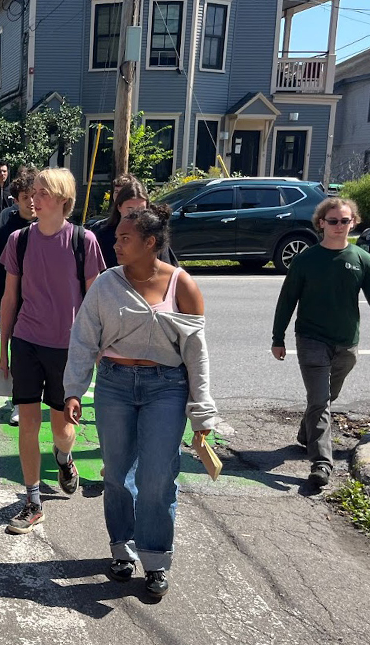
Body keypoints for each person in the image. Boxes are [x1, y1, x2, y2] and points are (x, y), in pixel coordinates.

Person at [62, 202, 218, 599]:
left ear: (150, 242)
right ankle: (121, 550)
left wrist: (202, 411)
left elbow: (196, 355)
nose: (116, 244)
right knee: (116, 474)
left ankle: (155, 561)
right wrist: (74, 390)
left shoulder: (182, 285)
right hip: (114, 384)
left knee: (156, 478)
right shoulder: (106, 283)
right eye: (116, 238)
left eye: (125, 239)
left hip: (166, 387)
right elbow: (83, 339)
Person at [0, 168, 106, 535]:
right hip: (26, 341)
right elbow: (10, 296)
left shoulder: (84, 240)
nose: (34, 198)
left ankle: (64, 457)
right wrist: (3, 351)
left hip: (68, 348)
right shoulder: (19, 240)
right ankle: (32, 501)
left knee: (62, 431)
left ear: (62, 199)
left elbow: (95, 300)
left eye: (42, 192)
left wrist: (95, 348)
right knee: (27, 424)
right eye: (33, 192)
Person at [272, 197, 370, 487]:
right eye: (333, 221)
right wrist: (278, 337)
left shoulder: (362, 260)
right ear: (321, 223)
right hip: (311, 339)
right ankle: (321, 463)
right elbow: (287, 300)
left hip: (347, 342)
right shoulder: (306, 260)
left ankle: (307, 433)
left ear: (353, 222)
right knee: (320, 400)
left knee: (326, 398)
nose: (339, 226)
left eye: (345, 221)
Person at [0, 168, 38, 426]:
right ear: (16, 199)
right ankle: (18, 402)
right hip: (14, 298)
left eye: (35, 195)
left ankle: (38, 398)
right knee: (17, 349)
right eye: (25, 196)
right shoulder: (8, 225)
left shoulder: (50, 226)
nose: (31, 201)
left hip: (44, 301)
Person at [90, 175, 178, 268]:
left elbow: (168, 272)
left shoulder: (154, 235)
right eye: (130, 209)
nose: (136, 215)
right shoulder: (102, 234)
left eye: (141, 209)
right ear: (119, 207)